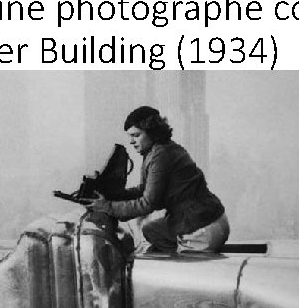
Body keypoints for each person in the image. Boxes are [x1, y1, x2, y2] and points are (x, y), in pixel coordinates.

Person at [83, 106, 230, 253]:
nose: (131, 142)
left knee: (173, 268)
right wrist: (112, 196)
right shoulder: (162, 150)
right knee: (151, 231)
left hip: (202, 228)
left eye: (136, 135)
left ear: (152, 132)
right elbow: (144, 190)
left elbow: (148, 203)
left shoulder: (160, 155)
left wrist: (107, 207)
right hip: (211, 219)